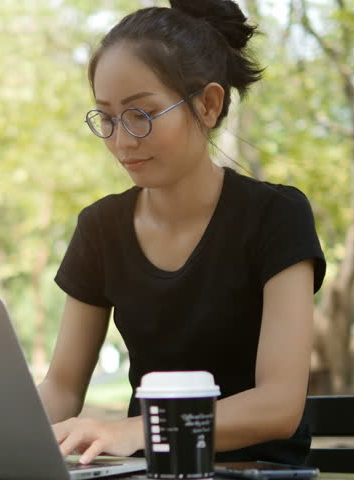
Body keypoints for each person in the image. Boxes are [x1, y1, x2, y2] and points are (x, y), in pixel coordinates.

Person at [36, 0, 326, 467]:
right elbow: (62, 387)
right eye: (107, 118)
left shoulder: (276, 216)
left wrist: (135, 430)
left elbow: (279, 405)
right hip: (147, 472)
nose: (122, 141)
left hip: (257, 471)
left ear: (208, 105)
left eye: (142, 114)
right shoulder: (100, 227)